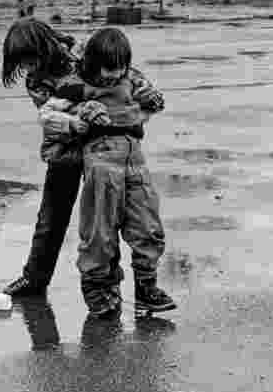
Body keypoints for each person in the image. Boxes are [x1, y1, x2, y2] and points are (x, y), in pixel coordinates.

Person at [38, 27, 176, 319]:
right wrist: (77, 122)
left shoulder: (132, 78)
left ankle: (147, 288)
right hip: (101, 166)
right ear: (93, 62)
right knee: (100, 230)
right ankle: (99, 290)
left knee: (147, 223)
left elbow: (149, 104)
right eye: (108, 69)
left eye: (120, 68)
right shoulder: (76, 85)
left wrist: (150, 104)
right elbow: (48, 115)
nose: (114, 75)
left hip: (133, 160)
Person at [0, 17, 86, 297]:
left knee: (105, 216)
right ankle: (34, 278)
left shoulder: (82, 54)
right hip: (65, 148)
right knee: (50, 218)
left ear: (43, 46)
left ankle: (107, 282)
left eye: (30, 59)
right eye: (22, 63)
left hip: (104, 145)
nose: (28, 67)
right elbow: (55, 116)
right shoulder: (36, 81)